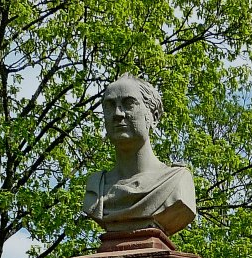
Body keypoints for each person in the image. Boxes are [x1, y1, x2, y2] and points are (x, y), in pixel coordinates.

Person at [83, 75, 196, 236]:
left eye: (129, 104)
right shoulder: (97, 187)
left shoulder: (176, 181)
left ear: (154, 117)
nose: (117, 114)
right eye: (109, 105)